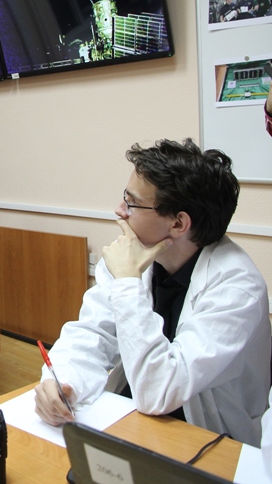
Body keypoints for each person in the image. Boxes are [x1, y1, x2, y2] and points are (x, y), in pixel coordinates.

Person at [34, 139, 270, 446]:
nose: (119, 211)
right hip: (133, 418)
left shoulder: (237, 287)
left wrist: (128, 283)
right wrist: (63, 382)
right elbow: (93, 334)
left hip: (211, 439)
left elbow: (159, 391)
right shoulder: (134, 259)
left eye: (131, 203)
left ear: (178, 223)